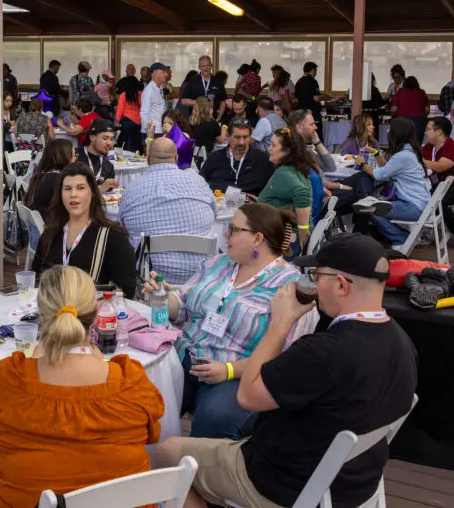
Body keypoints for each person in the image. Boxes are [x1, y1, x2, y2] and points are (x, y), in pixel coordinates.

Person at [159, 235, 417, 508]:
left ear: (341, 285)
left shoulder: (323, 351)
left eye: (317, 275)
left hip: (285, 483)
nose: (312, 284)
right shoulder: (403, 341)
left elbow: (247, 397)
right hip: (354, 483)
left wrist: (280, 323)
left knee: (167, 453)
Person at [0, 265, 163, 508]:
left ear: (41, 316)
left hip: (27, 502)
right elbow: (153, 434)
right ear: (95, 313)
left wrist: (32, 363)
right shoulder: (131, 381)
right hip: (124, 503)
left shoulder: (9, 379)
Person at [141, 203, 317, 441]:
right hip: (185, 356)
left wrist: (229, 370)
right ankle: (148, 458)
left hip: (239, 375)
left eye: (233, 229)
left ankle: (193, 464)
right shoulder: (218, 263)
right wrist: (161, 296)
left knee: (214, 417)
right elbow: (183, 307)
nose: (226, 234)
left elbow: (286, 359)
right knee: (145, 398)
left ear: (257, 239)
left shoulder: (290, 288)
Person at [121, 137, 217, 284]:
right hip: (199, 275)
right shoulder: (197, 181)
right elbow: (215, 214)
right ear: (176, 158)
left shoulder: (132, 189)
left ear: (147, 159)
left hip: (150, 278)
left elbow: (122, 227)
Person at [32, 162, 136, 296]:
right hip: (54, 306)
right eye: (67, 189)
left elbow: (126, 290)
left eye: (80, 188)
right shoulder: (50, 234)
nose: (73, 194)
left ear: (92, 192)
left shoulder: (113, 236)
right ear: (61, 194)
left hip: (93, 308)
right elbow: (35, 280)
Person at [351, 117, 431, 245]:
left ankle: (402, 238)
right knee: (375, 205)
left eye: (391, 129)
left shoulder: (402, 156)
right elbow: (387, 169)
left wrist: (362, 164)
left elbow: (379, 175)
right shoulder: (409, 151)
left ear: (397, 133)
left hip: (413, 206)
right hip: (420, 203)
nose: (387, 131)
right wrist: (376, 153)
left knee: (369, 208)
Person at [422, 116, 454, 251]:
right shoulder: (429, 147)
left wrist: (418, 160)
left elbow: (439, 167)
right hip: (438, 185)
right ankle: (422, 232)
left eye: (428, 129)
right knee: (422, 196)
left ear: (439, 132)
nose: (425, 132)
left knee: (434, 201)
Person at [259, 128, 314, 247]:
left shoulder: (283, 172)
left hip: (286, 242)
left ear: (287, 151)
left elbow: (302, 193)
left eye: (274, 145)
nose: (269, 148)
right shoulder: (296, 169)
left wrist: (303, 230)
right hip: (289, 237)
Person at [200, 120, 273, 196]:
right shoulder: (214, 158)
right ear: (228, 136)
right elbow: (200, 183)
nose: (242, 142)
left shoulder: (262, 159)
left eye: (245, 137)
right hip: (216, 201)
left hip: (249, 202)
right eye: (237, 137)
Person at [24, 138, 75, 215]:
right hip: (50, 221)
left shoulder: (43, 176)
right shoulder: (58, 181)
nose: (75, 159)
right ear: (64, 158)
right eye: (74, 156)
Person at [75, 118, 120, 193]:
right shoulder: (74, 156)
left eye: (111, 139)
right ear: (92, 137)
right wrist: (99, 188)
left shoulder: (108, 166)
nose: (109, 143)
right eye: (105, 138)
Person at [288, 109, 336, 174]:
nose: (316, 127)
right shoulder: (296, 152)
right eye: (312, 124)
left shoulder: (307, 147)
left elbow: (331, 168)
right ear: (298, 128)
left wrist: (317, 141)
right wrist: (317, 141)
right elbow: (331, 168)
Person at [390, 75, 431, 142]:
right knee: (416, 143)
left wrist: (394, 114)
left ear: (404, 83)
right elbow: (427, 109)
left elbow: (394, 109)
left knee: (402, 143)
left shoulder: (399, 92)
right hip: (418, 121)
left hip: (402, 121)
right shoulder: (421, 92)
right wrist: (422, 116)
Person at [294, 61, 323, 136]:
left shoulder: (299, 82)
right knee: (316, 135)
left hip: (301, 114)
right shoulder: (313, 81)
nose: (316, 73)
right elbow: (316, 98)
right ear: (313, 70)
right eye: (315, 70)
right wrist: (323, 97)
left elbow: (295, 98)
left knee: (304, 135)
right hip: (312, 113)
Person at [115, 75, 143, 154]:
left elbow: (120, 110)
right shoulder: (141, 94)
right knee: (138, 143)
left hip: (127, 121)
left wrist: (118, 120)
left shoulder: (123, 95)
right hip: (140, 122)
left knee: (128, 144)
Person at [140, 62, 169, 138]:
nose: (166, 74)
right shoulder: (149, 90)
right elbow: (144, 113)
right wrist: (149, 134)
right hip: (152, 132)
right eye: (163, 72)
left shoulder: (160, 88)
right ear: (154, 73)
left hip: (159, 130)